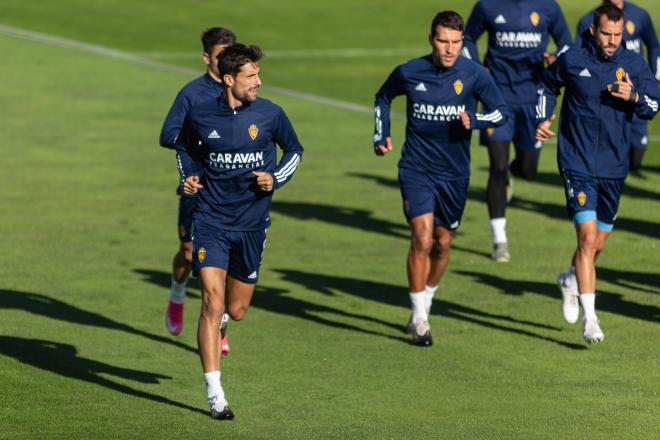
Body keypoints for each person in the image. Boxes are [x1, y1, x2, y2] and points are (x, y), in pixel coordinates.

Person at [177, 44, 303, 418]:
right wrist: (190, 177)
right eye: (251, 76)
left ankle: (226, 323)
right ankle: (215, 394)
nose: (259, 82)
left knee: (237, 308)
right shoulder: (199, 114)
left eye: (258, 75)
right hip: (210, 221)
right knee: (211, 303)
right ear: (229, 79)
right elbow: (183, 148)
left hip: (251, 225)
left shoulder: (271, 115)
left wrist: (275, 178)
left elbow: (294, 150)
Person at [373, 11, 508, 346]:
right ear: (430, 39)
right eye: (443, 41)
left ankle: (426, 298)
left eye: (456, 42)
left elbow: (500, 112)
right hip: (416, 168)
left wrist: (473, 120)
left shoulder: (475, 74)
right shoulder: (409, 71)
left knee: (444, 242)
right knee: (422, 238)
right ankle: (419, 318)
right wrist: (381, 134)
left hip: (455, 174)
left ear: (463, 42)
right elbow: (383, 96)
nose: (449, 49)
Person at [535, 4, 659, 342]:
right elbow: (547, 84)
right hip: (576, 161)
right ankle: (591, 320)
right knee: (587, 239)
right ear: (593, 29)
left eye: (618, 35)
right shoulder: (574, 60)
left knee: (597, 244)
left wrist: (634, 96)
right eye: (607, 34)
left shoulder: (632, 63)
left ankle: (570, 279)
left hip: (614, 166)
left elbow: (654, 104)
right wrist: (543, 118)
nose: (612, 41)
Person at [463, 0, 573, 262]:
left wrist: (557, 60)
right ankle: (499, 238)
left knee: (528, 169)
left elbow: (567, 43)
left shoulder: (548, 7)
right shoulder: (487, 6)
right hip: (496, 97)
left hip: (533, 99)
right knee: (497, 166)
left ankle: (513, 175)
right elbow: (467, 38)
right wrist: (478, 70)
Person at [159, 27, 235, 355]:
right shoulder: (192, 94)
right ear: (207, 58)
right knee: (190, 254)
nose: (227, 65)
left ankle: (218, 324)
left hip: (232, 191)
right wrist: (203, 139)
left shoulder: (243, 92)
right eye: (221, 58)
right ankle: (177, 293)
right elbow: (168, 134)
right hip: (197, 187)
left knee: (226, 261)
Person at [575, 0, 659, 172]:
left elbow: (653, 45)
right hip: (605, 97)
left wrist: (655, 77)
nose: (612, 41)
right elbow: (577, 59)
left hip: (636, 92)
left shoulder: (640, 15)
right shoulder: (587, 20)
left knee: (635, 158)